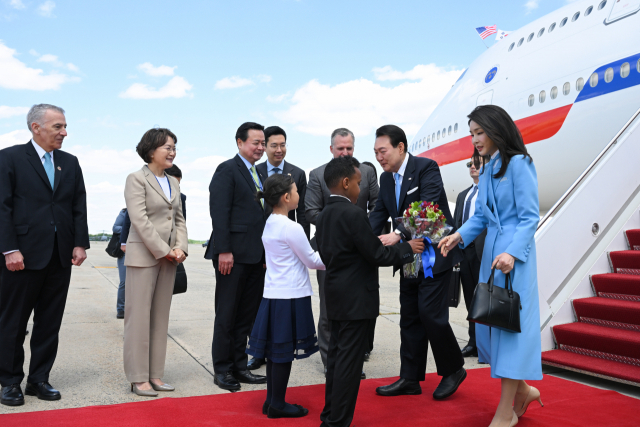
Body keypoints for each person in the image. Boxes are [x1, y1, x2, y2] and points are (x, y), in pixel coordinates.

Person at [439, 105, 543, 427]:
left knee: (509, 329)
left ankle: (505, 411)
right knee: (493, 325)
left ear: (497, 129)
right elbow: (482, 218)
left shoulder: (520, 164)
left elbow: (529, 217)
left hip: (515, 259)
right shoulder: (485, 169)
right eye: (472, 133)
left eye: (480, 132)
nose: (475, 139)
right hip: (491, 257)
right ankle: (524, 391)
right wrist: (458, 235)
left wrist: (513, 253)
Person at [316, 156, 423, 427]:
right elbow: (377, 254)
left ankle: (329, 415)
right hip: (356, 300)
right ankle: (337, 422)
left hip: (336, 296)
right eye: (358, 183)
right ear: (345, 182)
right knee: (350, 367)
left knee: (337, 361)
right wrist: (407, 249)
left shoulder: (325, 214)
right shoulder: (353, 213)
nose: (360, 189)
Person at [0, 104, 89, 406]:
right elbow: (3, 207)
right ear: (36, 127)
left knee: (49, 322)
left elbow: (78, 205)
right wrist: (10, 249)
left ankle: (39, 379)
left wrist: (80, 243)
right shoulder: (10, 158)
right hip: (21, 256)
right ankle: (10, 381)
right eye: (58, 127)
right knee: (13, 322)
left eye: (64, 127)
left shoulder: (70, 162)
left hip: (60, 254)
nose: (64, 132)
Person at [369, 124, 466, 400]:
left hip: (436, 254)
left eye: (383, 151)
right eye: (375, 152)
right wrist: (363, 239)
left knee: (429, 313)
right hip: (410, 256)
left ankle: (453, 369)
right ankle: (410, 378)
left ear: (400, 147)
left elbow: (429, 205)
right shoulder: (386, 179)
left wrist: (397, 233)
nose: (379, 157)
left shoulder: (426, 168)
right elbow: (378, 215)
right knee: (410, 315)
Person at [246, 173, 323, 418]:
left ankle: (272, 400)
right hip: (291, 295)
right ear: (287, 197)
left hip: (273, 295)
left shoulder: (270, 222)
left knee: (275, 351)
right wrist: (340, 256)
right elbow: (312, 261)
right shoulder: (292, 227)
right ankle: (278, 404)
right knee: (282, 353)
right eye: (296, 191)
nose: (299, 195)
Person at [305, 128, 379, 375]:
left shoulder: (366, 172)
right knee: (330, 309)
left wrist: (363, 232)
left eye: (349, 148)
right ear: (331, 149)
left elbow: (377, 206)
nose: (345, 153)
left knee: (365, 306)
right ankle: (332, 363)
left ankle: (357, 354)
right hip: (331, 251)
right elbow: (311, 211)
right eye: (340, 149)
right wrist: (345, 225)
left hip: (365, 249)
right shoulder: (317, 175)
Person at [123, 128, 188, 397]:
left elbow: (179, 219)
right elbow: (139, 220)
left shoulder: (173, 182)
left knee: (160, 319)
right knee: (138, 319)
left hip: (169, 259)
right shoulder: (136, 179)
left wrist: (181, 247)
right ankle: (138, 378)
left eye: (174, 147)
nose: (172, 151)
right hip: (145, 257)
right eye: (167, 147)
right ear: (151, 151)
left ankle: (155, 375)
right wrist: (164, 250)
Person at [205, 122, 268, 391]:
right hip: (232, 255)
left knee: (245, 315)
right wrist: (224, 250)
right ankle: (222, 369)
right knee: (227, 314)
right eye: (255, 142)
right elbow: (219, 212)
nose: (260, 147)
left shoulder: (257, 174)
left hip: (254, 256)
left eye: (263, 143)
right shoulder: (227, 170)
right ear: (240, 143)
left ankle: (240, 366)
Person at [250, 125, 310, 371]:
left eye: (282, 144)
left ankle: (278, 347)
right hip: (261, 246)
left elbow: (303, 215)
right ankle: (258, 351)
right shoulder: (256, 171)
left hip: (288, 245)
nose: (279, 149)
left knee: (281, 307)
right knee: (261, 302)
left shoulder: (297, 173)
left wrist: (300, 246)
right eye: (273, 145)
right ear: (265, 147)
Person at [453, 153, 487, 358]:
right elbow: (458, 223)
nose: (472, 166)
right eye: (470, 164)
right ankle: (473, 342)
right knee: (470, 299)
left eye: (477, 163)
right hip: (464, 252)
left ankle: (487, 345)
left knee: (486, 299)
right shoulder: (463, 195)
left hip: (484, 252)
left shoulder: (491, 191)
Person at [112, 208, 128, 319]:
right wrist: (129, 228)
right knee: (124, 282)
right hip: (125, 251)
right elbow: (115, 228)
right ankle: (121, 309)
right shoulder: (124, 212)